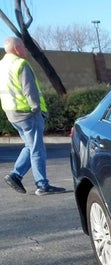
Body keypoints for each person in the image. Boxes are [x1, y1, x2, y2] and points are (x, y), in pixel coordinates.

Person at [1, 36, 65, 195]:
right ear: (17, 48)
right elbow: (30, 90)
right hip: (28, 113)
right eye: (23, 47)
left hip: (12, 113)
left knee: (30, 146)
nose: (26, 49)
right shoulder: (20, 64)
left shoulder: (2, 65)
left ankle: (15, 175)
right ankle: (42, 185)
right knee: (37, 149)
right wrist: (37, 109)